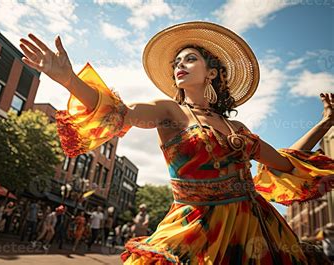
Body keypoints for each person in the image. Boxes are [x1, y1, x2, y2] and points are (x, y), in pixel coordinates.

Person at [19, 21, 334, 264]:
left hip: (256, 230)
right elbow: (121, 113)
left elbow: (285, 161)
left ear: (212, 72)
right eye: (177, 62)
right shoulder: (169, 112)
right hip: (195, 231)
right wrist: (69, 79)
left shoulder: (237, 127)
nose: (179, 65)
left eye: (190, 59)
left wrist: (325, 123)